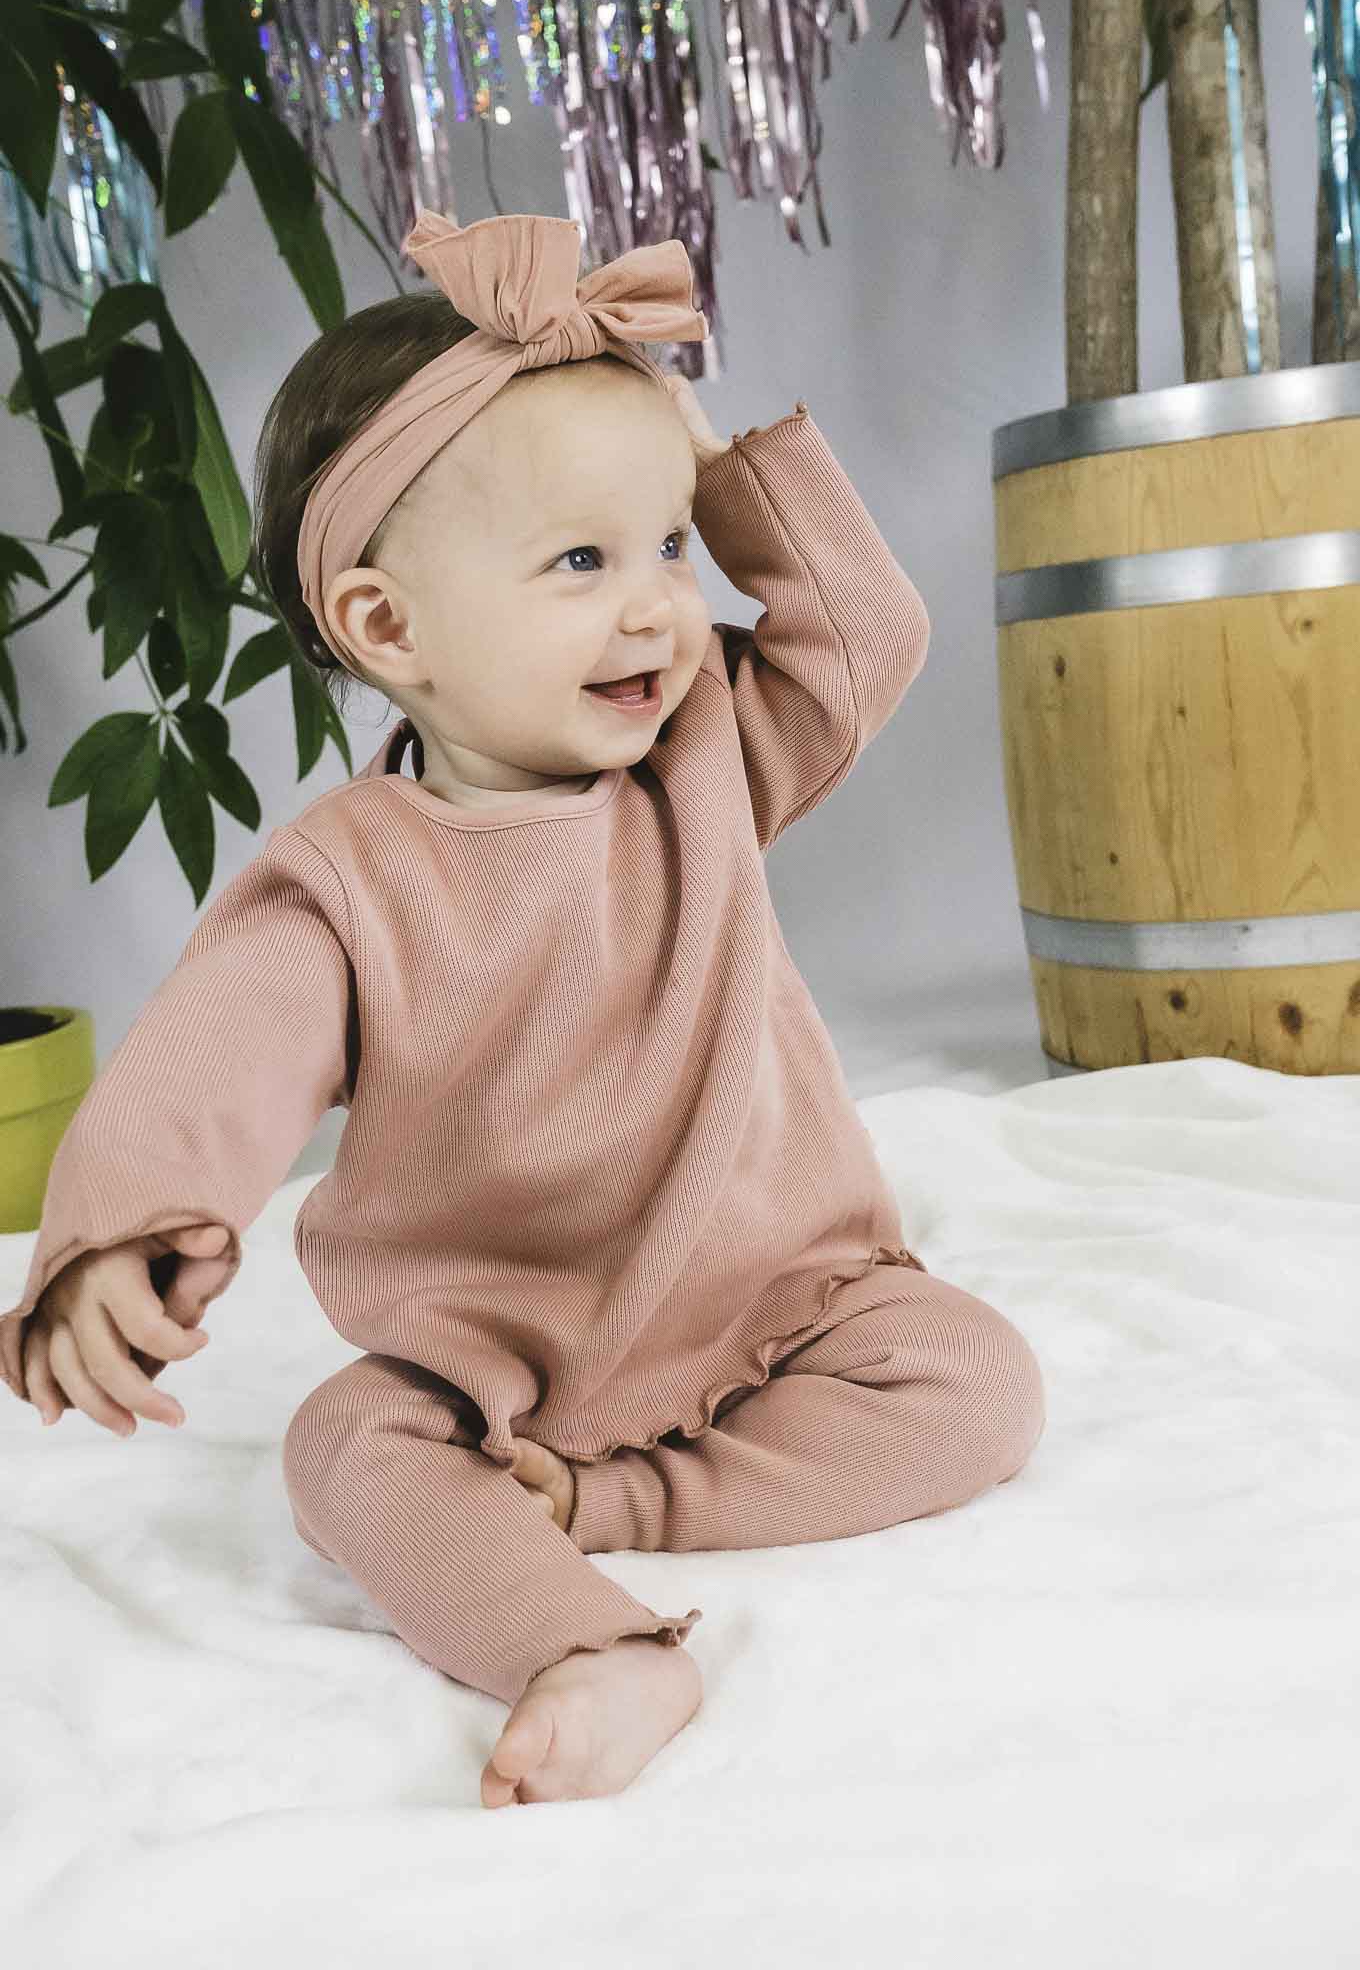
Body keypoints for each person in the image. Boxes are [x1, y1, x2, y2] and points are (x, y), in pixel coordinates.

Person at [0, 211, 1046, 1809]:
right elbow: (212, 1055)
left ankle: (620, 1505)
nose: (657, 610)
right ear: (387, 627)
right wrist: (116, 1231)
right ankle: (594, 1647)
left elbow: (867, 635)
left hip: (773, 1300)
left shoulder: (708, 755)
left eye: (669, 546)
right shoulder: (354, 878)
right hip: (493, 1357)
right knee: (341, 1454)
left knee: (977, 1380)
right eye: (580, 561)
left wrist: (710, 463)